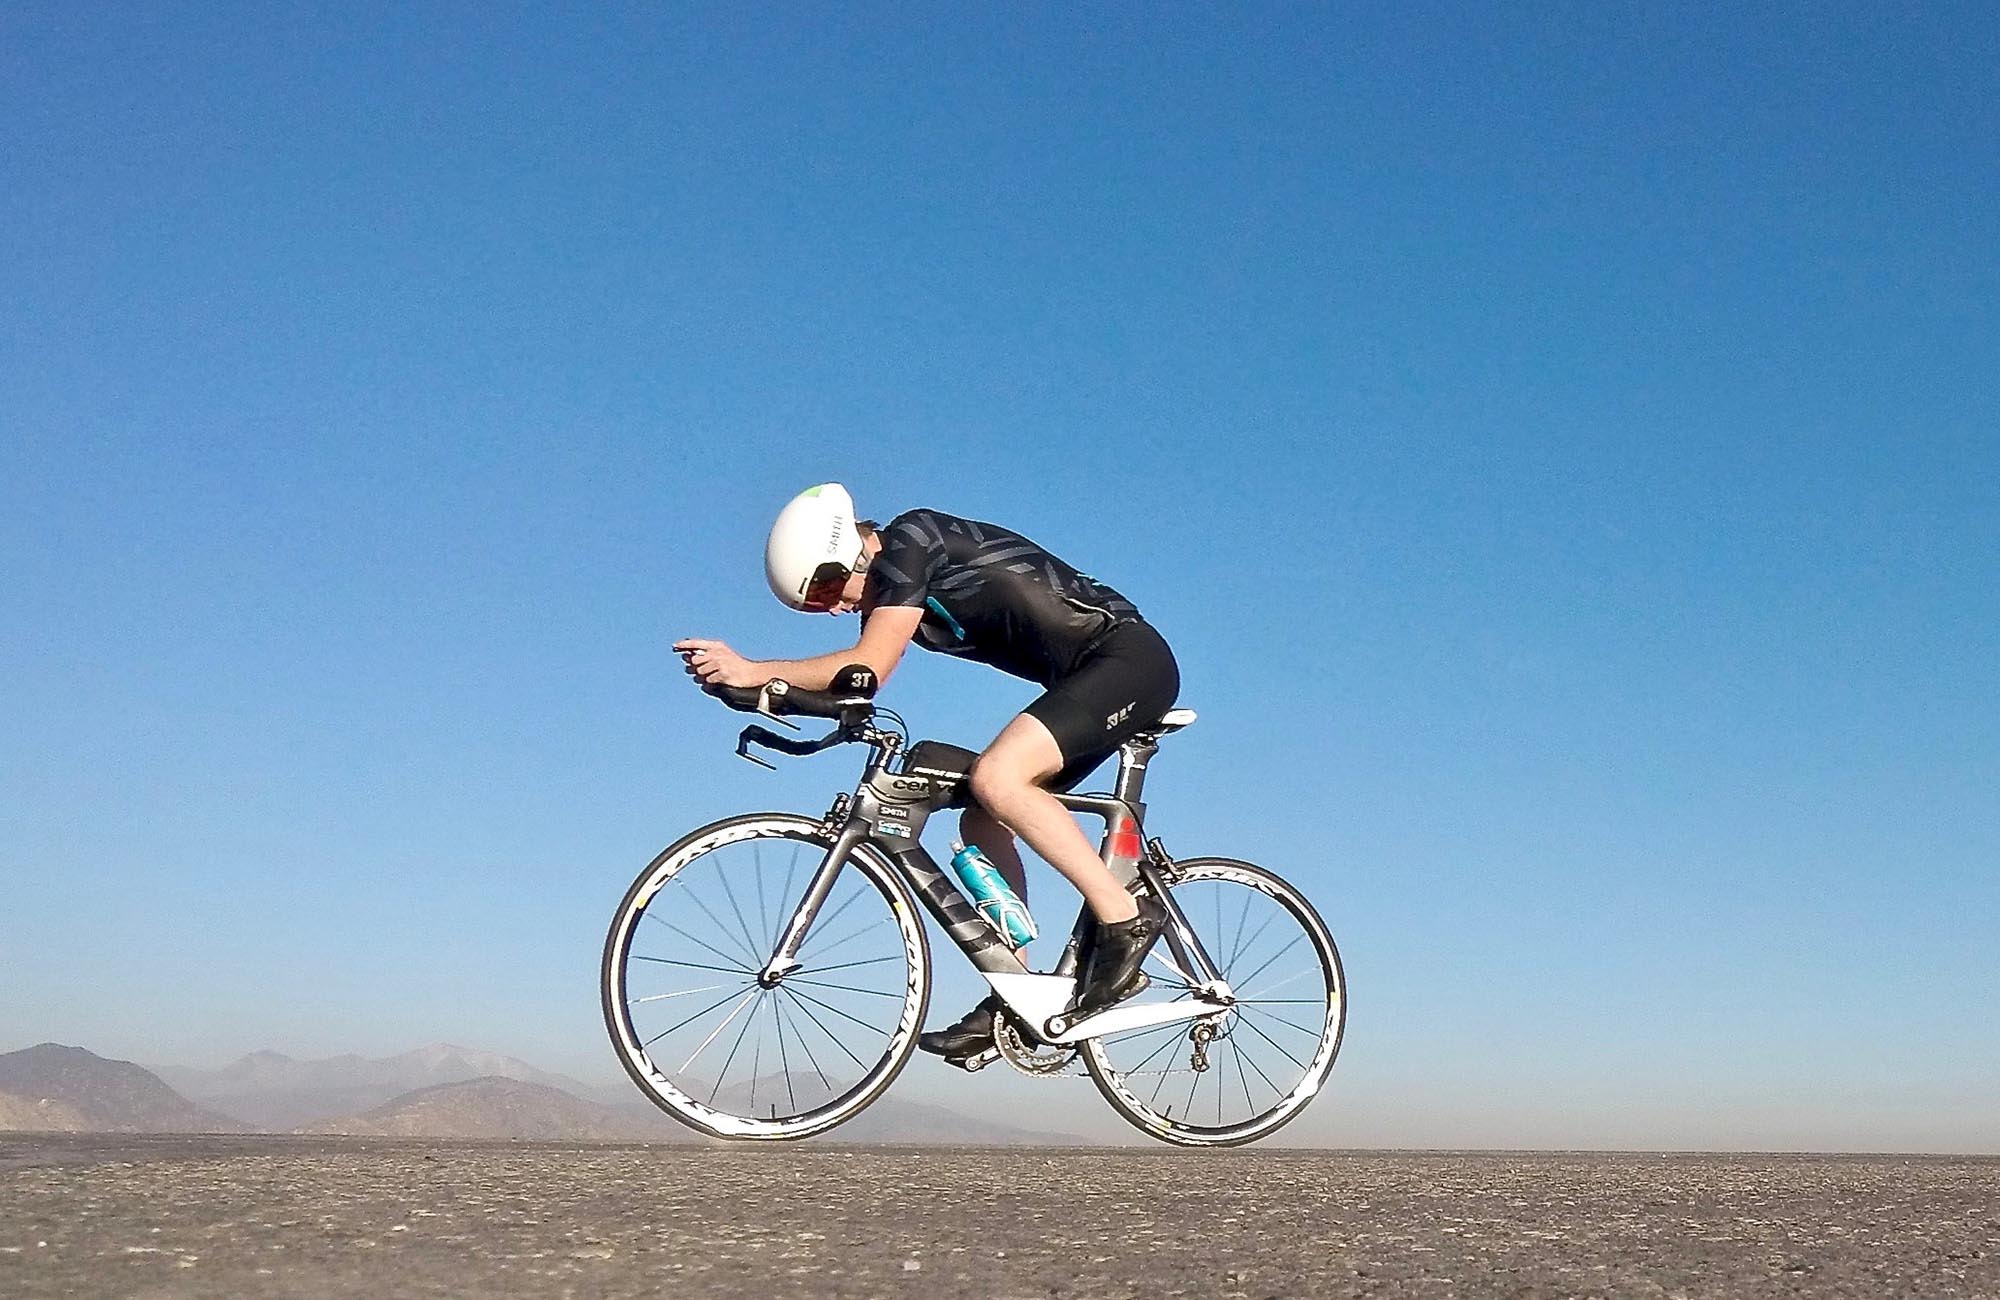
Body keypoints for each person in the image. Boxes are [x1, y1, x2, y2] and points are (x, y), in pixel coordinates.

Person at [676, 482, 1179, 1066]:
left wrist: (753, 668)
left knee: (999, 778)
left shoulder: (912, 539)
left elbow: (867, 665)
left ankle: (1125, 920)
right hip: (1083, 681)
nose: (834, 608)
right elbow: (855, 684)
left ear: (853, 548)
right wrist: (766, 694)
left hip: (1128, 660)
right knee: (983, 821)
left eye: (828, 587)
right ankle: (1018, 993)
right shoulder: (901, 592)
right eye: (817, 606)